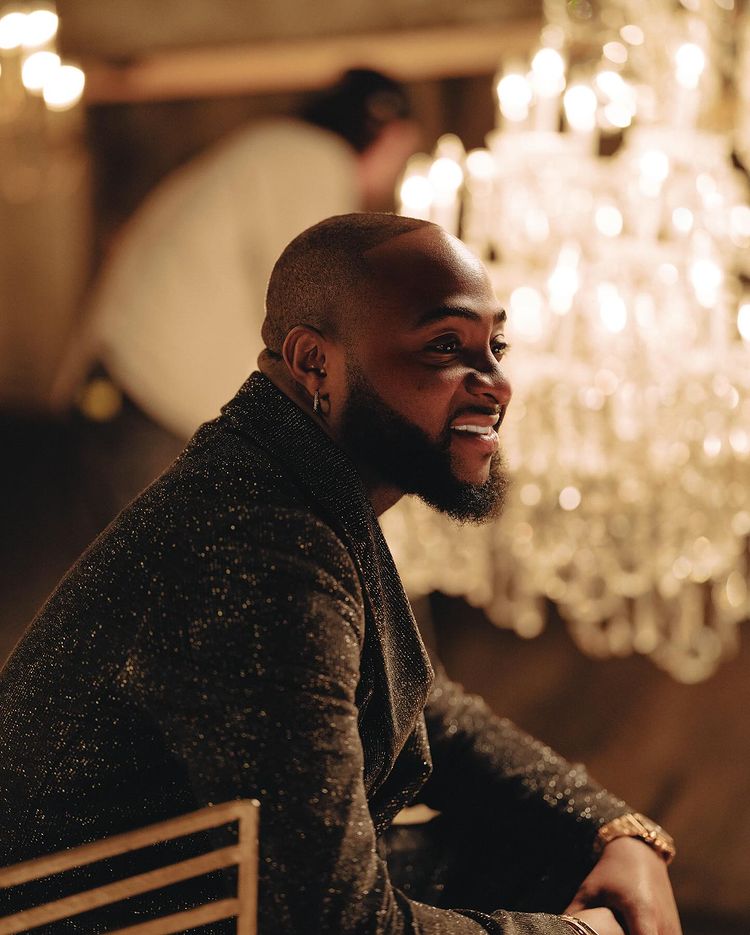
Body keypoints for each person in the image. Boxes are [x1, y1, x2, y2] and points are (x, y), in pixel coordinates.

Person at [0, 214, 681, 935]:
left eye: (496, 347)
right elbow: (334, 923)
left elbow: (425, 709)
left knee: (559, 854)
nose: (497, 385)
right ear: (314, 363)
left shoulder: (290, 480)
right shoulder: (258, 542)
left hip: (202, 901)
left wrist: (611, 827)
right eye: (445, 346)